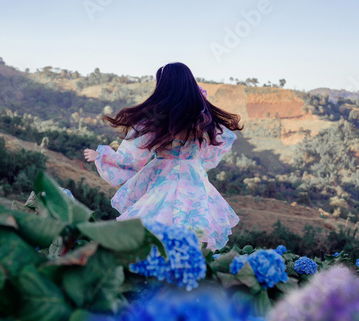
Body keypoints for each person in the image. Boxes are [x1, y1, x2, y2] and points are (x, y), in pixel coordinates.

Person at [84, 62, 243, 250]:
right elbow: (209, 155)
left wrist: (102, 156)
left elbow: (134, 160)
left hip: (163, 180)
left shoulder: (156, 120)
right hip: (194, 182)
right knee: (193, 238)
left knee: (155, 237)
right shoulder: (203, 119)